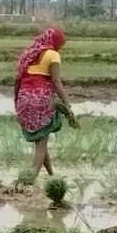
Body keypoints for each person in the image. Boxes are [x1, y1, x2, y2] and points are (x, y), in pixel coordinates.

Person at [15, 27, 78, 182]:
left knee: (40, 141)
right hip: (41, 100)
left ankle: (51, 176)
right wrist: (67, 104)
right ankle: (29, 180)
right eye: (61, 43)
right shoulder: (53, 55)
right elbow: (56, 82)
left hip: (24, 98)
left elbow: (18, 78)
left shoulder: (29, 54)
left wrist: (18, 102)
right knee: (42, 144)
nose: (61, 47)